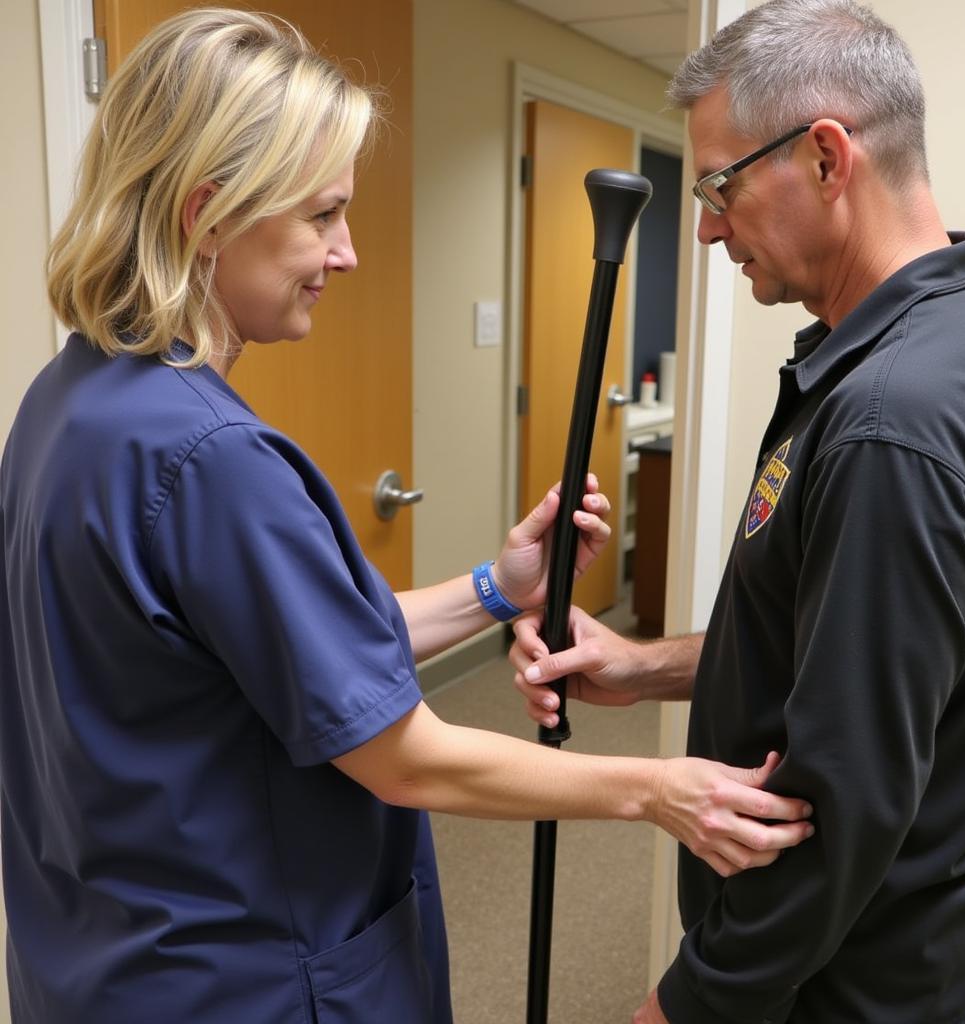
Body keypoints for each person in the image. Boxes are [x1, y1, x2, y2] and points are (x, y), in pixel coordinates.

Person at [0, 9, 816, 1023]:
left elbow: (291, 645)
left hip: (98, 960)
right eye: (323, 214)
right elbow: (402, 752)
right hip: (239, 973)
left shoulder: (70, 402)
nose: (345, 254)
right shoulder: (212, 460)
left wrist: (496, 587)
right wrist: (657, 788)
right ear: (208, 215)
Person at [511, 1, 965, 1021]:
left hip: (836, 985)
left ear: (827, 159)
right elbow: (840, 649)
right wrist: (640, 665)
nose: (704, 224)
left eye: (717, 184)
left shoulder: (892, 422)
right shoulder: (949, 348)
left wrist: (683, 1006)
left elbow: (840, 803)